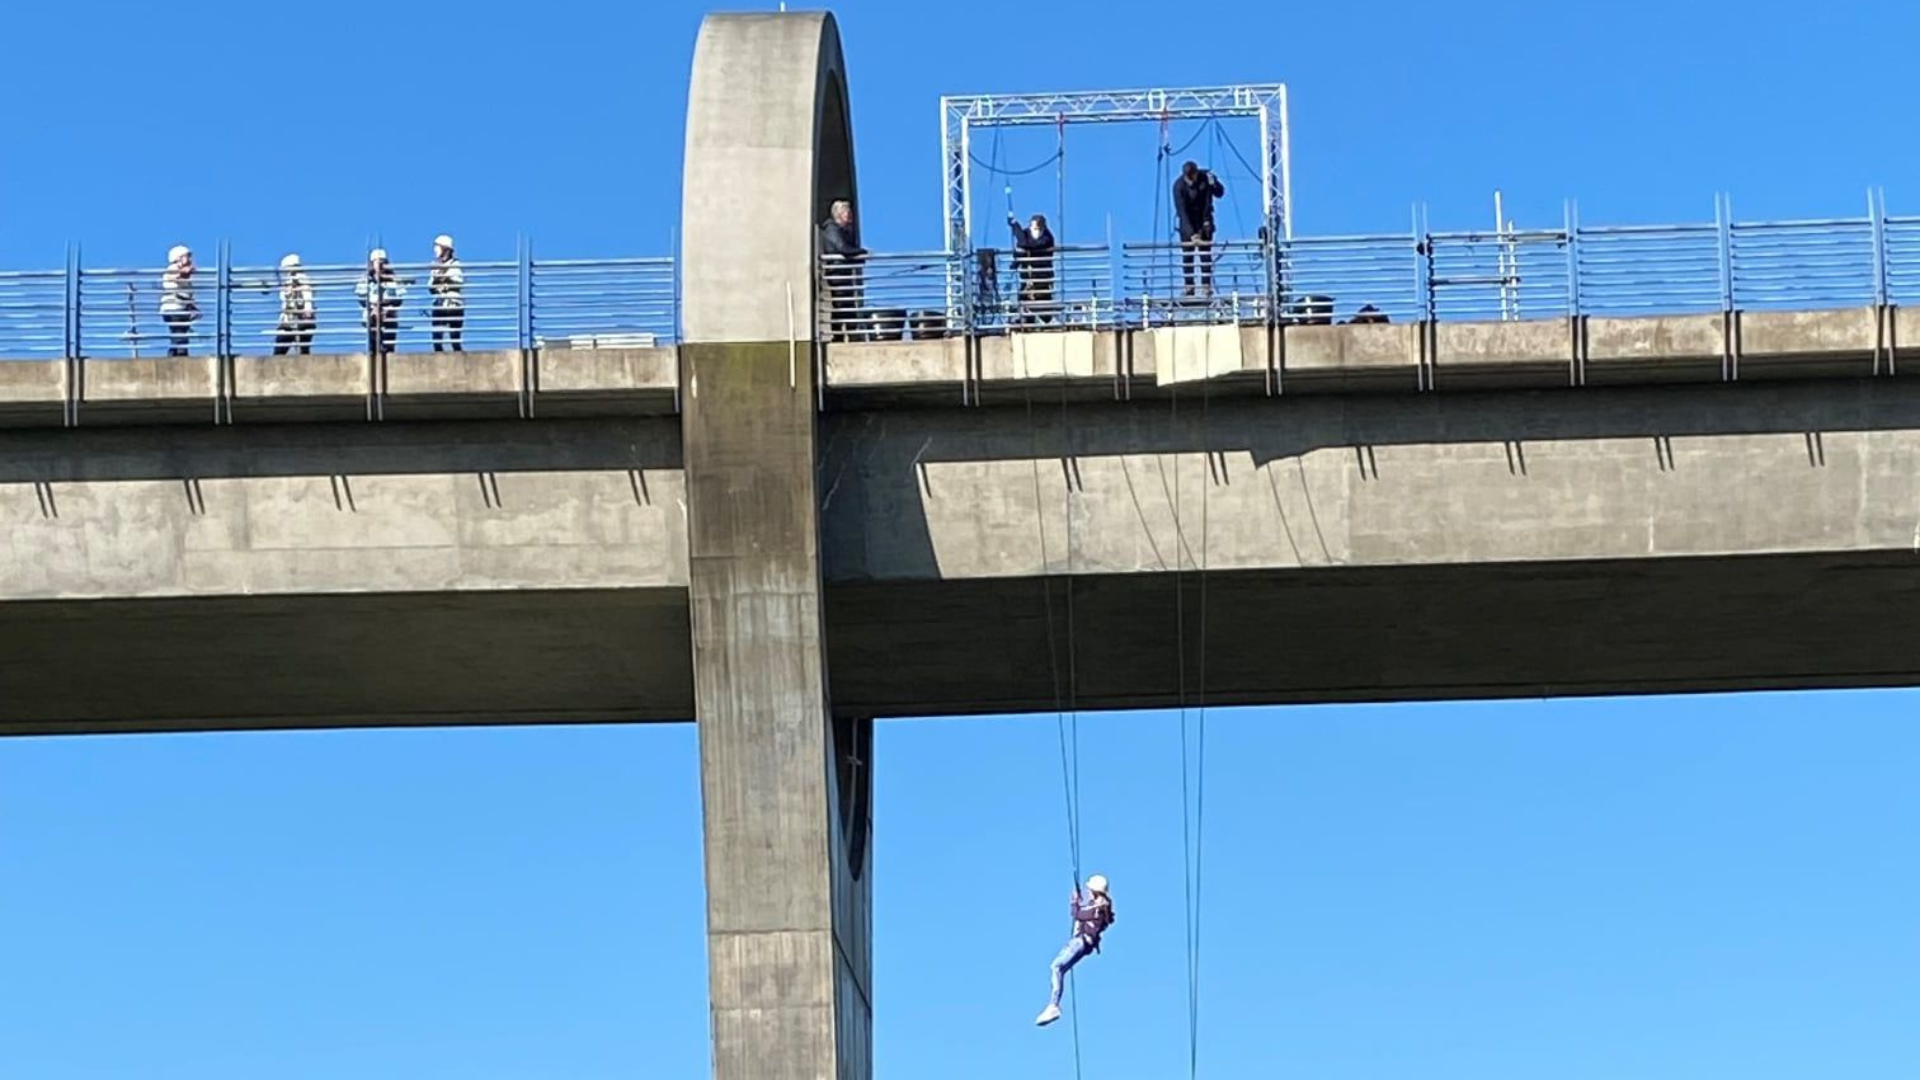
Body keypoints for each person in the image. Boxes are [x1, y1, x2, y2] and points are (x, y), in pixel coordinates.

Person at [1035, 874, 1115, 1027]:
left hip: (1080, 942)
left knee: (1056, 967)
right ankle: (1053, 1005)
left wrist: (1074, 902)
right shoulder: (1101, 908)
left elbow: (1078, 914)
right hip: (1084, 944)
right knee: (1059, 970)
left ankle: (1053, 1006)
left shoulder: (1097, 909)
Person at [1173, 161, 1225, 297]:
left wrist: (1214, 183)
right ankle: (1189, 286)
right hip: (1187, 223)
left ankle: (1206, 285)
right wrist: (1191, 234)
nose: (1191, 181)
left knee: (1205, 255)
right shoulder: (1178, 186)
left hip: (1204, 221)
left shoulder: (1206, 178)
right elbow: (1182, 211)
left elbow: (1220, 193)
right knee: (1188, 255)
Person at [820, 199, 866, 341]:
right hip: (837, 273)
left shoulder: (843, 230)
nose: (850, 215)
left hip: (842, 272)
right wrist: (862, 252)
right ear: (839, 214)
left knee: (847, 305)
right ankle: (839, 336)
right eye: (847, 212)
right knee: (841, 304)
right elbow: (843, 248)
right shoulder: (832, 229)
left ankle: (850, 335)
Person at [1008, 212, 1057, 325]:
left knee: (1042, 299)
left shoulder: (1047, 237)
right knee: (1024, 297)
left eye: (1037, 228)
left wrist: (1017, 228)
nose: (1035, 230)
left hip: (1041, 275)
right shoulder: (1026, 233)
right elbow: (1022, 246)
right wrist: (1016, 227)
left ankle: (1048, 320)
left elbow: (1028, 245)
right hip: (1028, 275)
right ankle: (1027, 319)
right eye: (1033, 227)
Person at [355, 248, 406, 354]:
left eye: (383, 262)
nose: (381, 266)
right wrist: (374, 306)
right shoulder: (365, 280)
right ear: (372, 264)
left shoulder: (394, 279)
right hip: (372, 314)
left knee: (389, 347)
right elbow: (361, 299)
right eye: (378, 262)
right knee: (372, 347)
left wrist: (385, 304)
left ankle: (387, 351)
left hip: (389, 315)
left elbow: (399, 299)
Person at [273, 253, 316, 355]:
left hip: (300, 318)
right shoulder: (289, 281)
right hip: (290, 319)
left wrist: (307, 310)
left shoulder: (301, 280)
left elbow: (307, 295)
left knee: (284, 348)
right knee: (301, 349)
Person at [429, 234, 465, 352]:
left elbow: (459, 280)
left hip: (454, 303)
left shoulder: (455, 264)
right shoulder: (435, 266)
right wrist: (435, 280)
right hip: (439, 303)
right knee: (437, 338)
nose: (435, 249)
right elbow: (430, 286)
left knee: (455, 338)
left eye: (438, 247)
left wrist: (446, 277)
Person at [160, 245, 197, 357]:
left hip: (181, 307)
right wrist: (183, 273)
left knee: (180, 332)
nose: (190, 259)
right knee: (179, 333)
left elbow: (187, 293)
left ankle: (175, 353)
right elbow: (174, 277)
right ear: (178, 258)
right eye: (187, 256)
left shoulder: (185, 274)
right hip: (174, 307)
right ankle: (180, 354)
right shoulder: (173, 268)